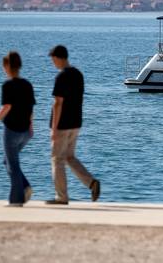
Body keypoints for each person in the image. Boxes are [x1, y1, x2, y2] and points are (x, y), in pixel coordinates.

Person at [46, 45, 100, 205]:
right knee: (69, 157)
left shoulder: (61, 77)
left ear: (59, 58)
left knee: (57, 159)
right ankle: (91, 183)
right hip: (76, 123)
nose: (53, 63)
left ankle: (61, 197)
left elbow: (58, 103)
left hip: (62, 125)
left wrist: (54, 128)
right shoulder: (78, 75)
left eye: (53, 59)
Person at [0, 51, 36, 207]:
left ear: (7, 66)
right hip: (26, 132)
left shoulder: (8, 85)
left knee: (12, 165)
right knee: (8, 161)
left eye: (3, 65)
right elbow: (31, 108)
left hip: (12, 131)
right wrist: (31, 128)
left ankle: (16, 200)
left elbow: (7, 106)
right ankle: (25, 187)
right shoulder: (27, 84)